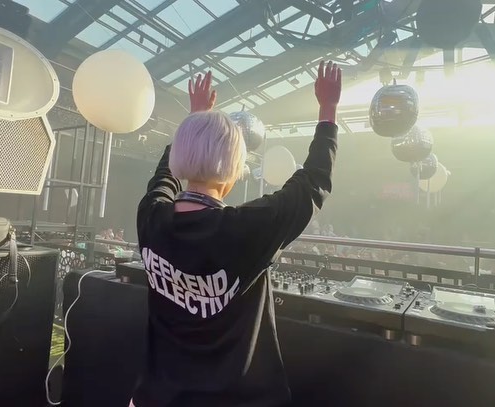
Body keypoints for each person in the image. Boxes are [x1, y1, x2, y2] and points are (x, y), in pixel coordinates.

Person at [132, 61, 341, 407]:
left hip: (159, 396)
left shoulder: (151, 216)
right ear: (232, 168)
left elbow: (163, 177)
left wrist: (196, 119)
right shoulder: (248, 228)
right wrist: (328, 109)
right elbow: (313, 181)